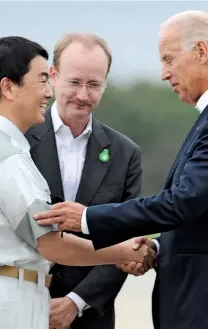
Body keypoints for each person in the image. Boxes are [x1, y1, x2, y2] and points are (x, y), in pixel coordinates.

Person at [34, 10, 208, 329]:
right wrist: (156, 246)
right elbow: (207, 214)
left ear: (201, 52)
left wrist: (85, 218)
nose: (164, 73)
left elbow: (182, 203)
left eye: (168, 59)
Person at [0, 36, 155, 329]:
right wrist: (124, 252)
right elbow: (50, 244)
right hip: (8, 306)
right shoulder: (8, 159)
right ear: (8, 86)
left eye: (94, 84)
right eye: (41, 81)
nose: (47, 93)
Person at [26, 33, 142, 329]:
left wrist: (76, 302)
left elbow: (126, 239)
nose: (83, 95)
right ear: (53, 76)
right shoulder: (20, 140)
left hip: (91, 316)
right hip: (22, 307)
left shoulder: (125, 153)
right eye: (74, 82)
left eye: (94, 85)